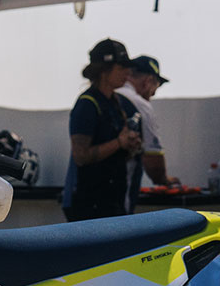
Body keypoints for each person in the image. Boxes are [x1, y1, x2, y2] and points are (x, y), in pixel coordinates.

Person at [64, 39, 144, 220]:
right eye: (121, 67)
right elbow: (81, 155)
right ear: (104, 70)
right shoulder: (87, 104)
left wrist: (131, 146)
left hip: (112, 203)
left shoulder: (115, 103)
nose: (127, 72)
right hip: (90, 207)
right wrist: (119, 143)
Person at [119, 54, 179, 190]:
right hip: (118, 194)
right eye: (156, 87)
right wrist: (164, 180)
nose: (153, 95)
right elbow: (153, 158)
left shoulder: (105, 96)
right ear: (148, 81)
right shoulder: (139, 104)